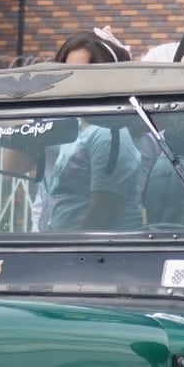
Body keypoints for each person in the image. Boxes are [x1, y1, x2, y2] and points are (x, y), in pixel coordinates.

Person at [44, 29, 144, 230]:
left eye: (84, 74)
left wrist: (71, 250)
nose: (72, 83)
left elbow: (103, 209)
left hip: (97, 254)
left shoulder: (109, 133)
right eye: (66, 73)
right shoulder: (80, 127)